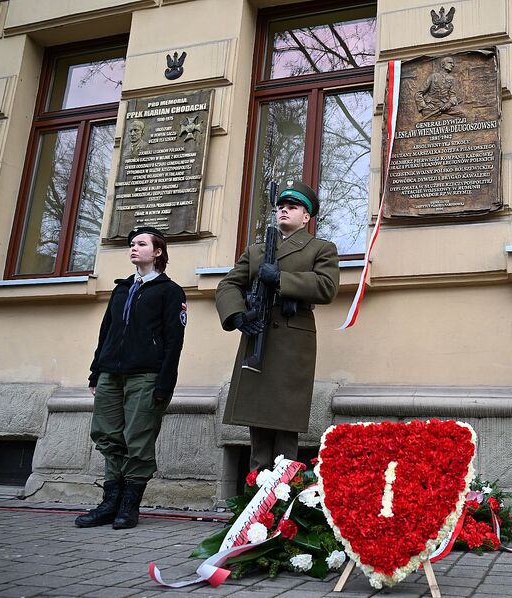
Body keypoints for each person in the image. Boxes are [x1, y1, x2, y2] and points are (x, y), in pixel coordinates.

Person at [216, 180, 339, 471]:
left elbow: (327, 286)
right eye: (281, 206)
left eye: (292, 206)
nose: (284, 210)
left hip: (291, 342)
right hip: (257, 334)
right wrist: (237, 315)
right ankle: (254, 497)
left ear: (306, 217)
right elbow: (228, 285)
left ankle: (283, 496)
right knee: (257, 421)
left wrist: (281, 279)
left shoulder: (320, 248)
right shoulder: (257, 251)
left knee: (285, 423)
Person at [78, 226, 187, 529]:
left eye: (141, 244)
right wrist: (96, 372)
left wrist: (165, 382)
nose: (133, 248)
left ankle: (130, 506)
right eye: (131, 244)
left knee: (137, 440)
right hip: (111, 374)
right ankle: (109, 503)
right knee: (107, 435)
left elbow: (173, 341)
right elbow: (106, 333)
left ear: (158, 252)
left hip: (146, 376)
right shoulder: (121, 288)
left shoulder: (169, 291)